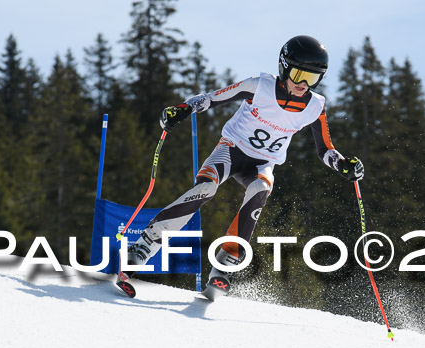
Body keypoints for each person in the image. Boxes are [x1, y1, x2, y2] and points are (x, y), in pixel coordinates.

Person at [126, 35, 364, 298]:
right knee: (206, 188)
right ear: (284, 67)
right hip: (231, 150)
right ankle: (146, 243)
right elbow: (211, 98)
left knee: (261, 187)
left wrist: (343, 165)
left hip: (263, 163)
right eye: (298, 75)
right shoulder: (259, 86)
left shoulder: (315, 106)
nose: (303, 84)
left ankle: (226, 263)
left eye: (312, 78)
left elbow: (325, 149)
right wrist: (181, 110)